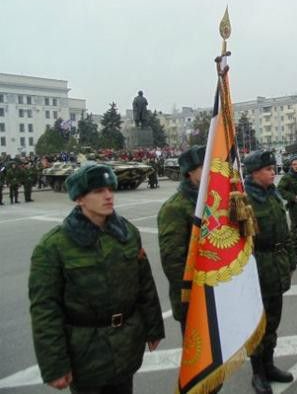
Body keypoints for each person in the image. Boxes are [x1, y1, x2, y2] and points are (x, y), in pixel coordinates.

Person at [29, 163, 165, 394]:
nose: (108, 196)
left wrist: (154, 329)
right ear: (79, 199)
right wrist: (54, 364)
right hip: (86, 353)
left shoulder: (127, 233)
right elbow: (45, 309)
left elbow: (145, 286)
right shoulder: (54, 245)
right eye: (98, 191)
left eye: (110, 189)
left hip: (126, 346)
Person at [244, 150, 296, 394]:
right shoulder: (243, 200)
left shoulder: (273, 194)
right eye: (268, 169)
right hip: (257, 267)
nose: (273, 172)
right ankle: (258, 373)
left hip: (277, 264)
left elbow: (284, 232)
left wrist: (290, 260)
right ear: (255, 173)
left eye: (273, 168)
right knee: (258, 326)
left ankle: (270, 365)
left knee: (273, 322)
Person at [157, 145, 205, 335]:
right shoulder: (175, 208)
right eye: (204, 167)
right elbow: (173, 261)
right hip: (193, 294)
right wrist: (193, 292)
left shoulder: (213, 201)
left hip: (217, 289)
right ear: (189, 173)